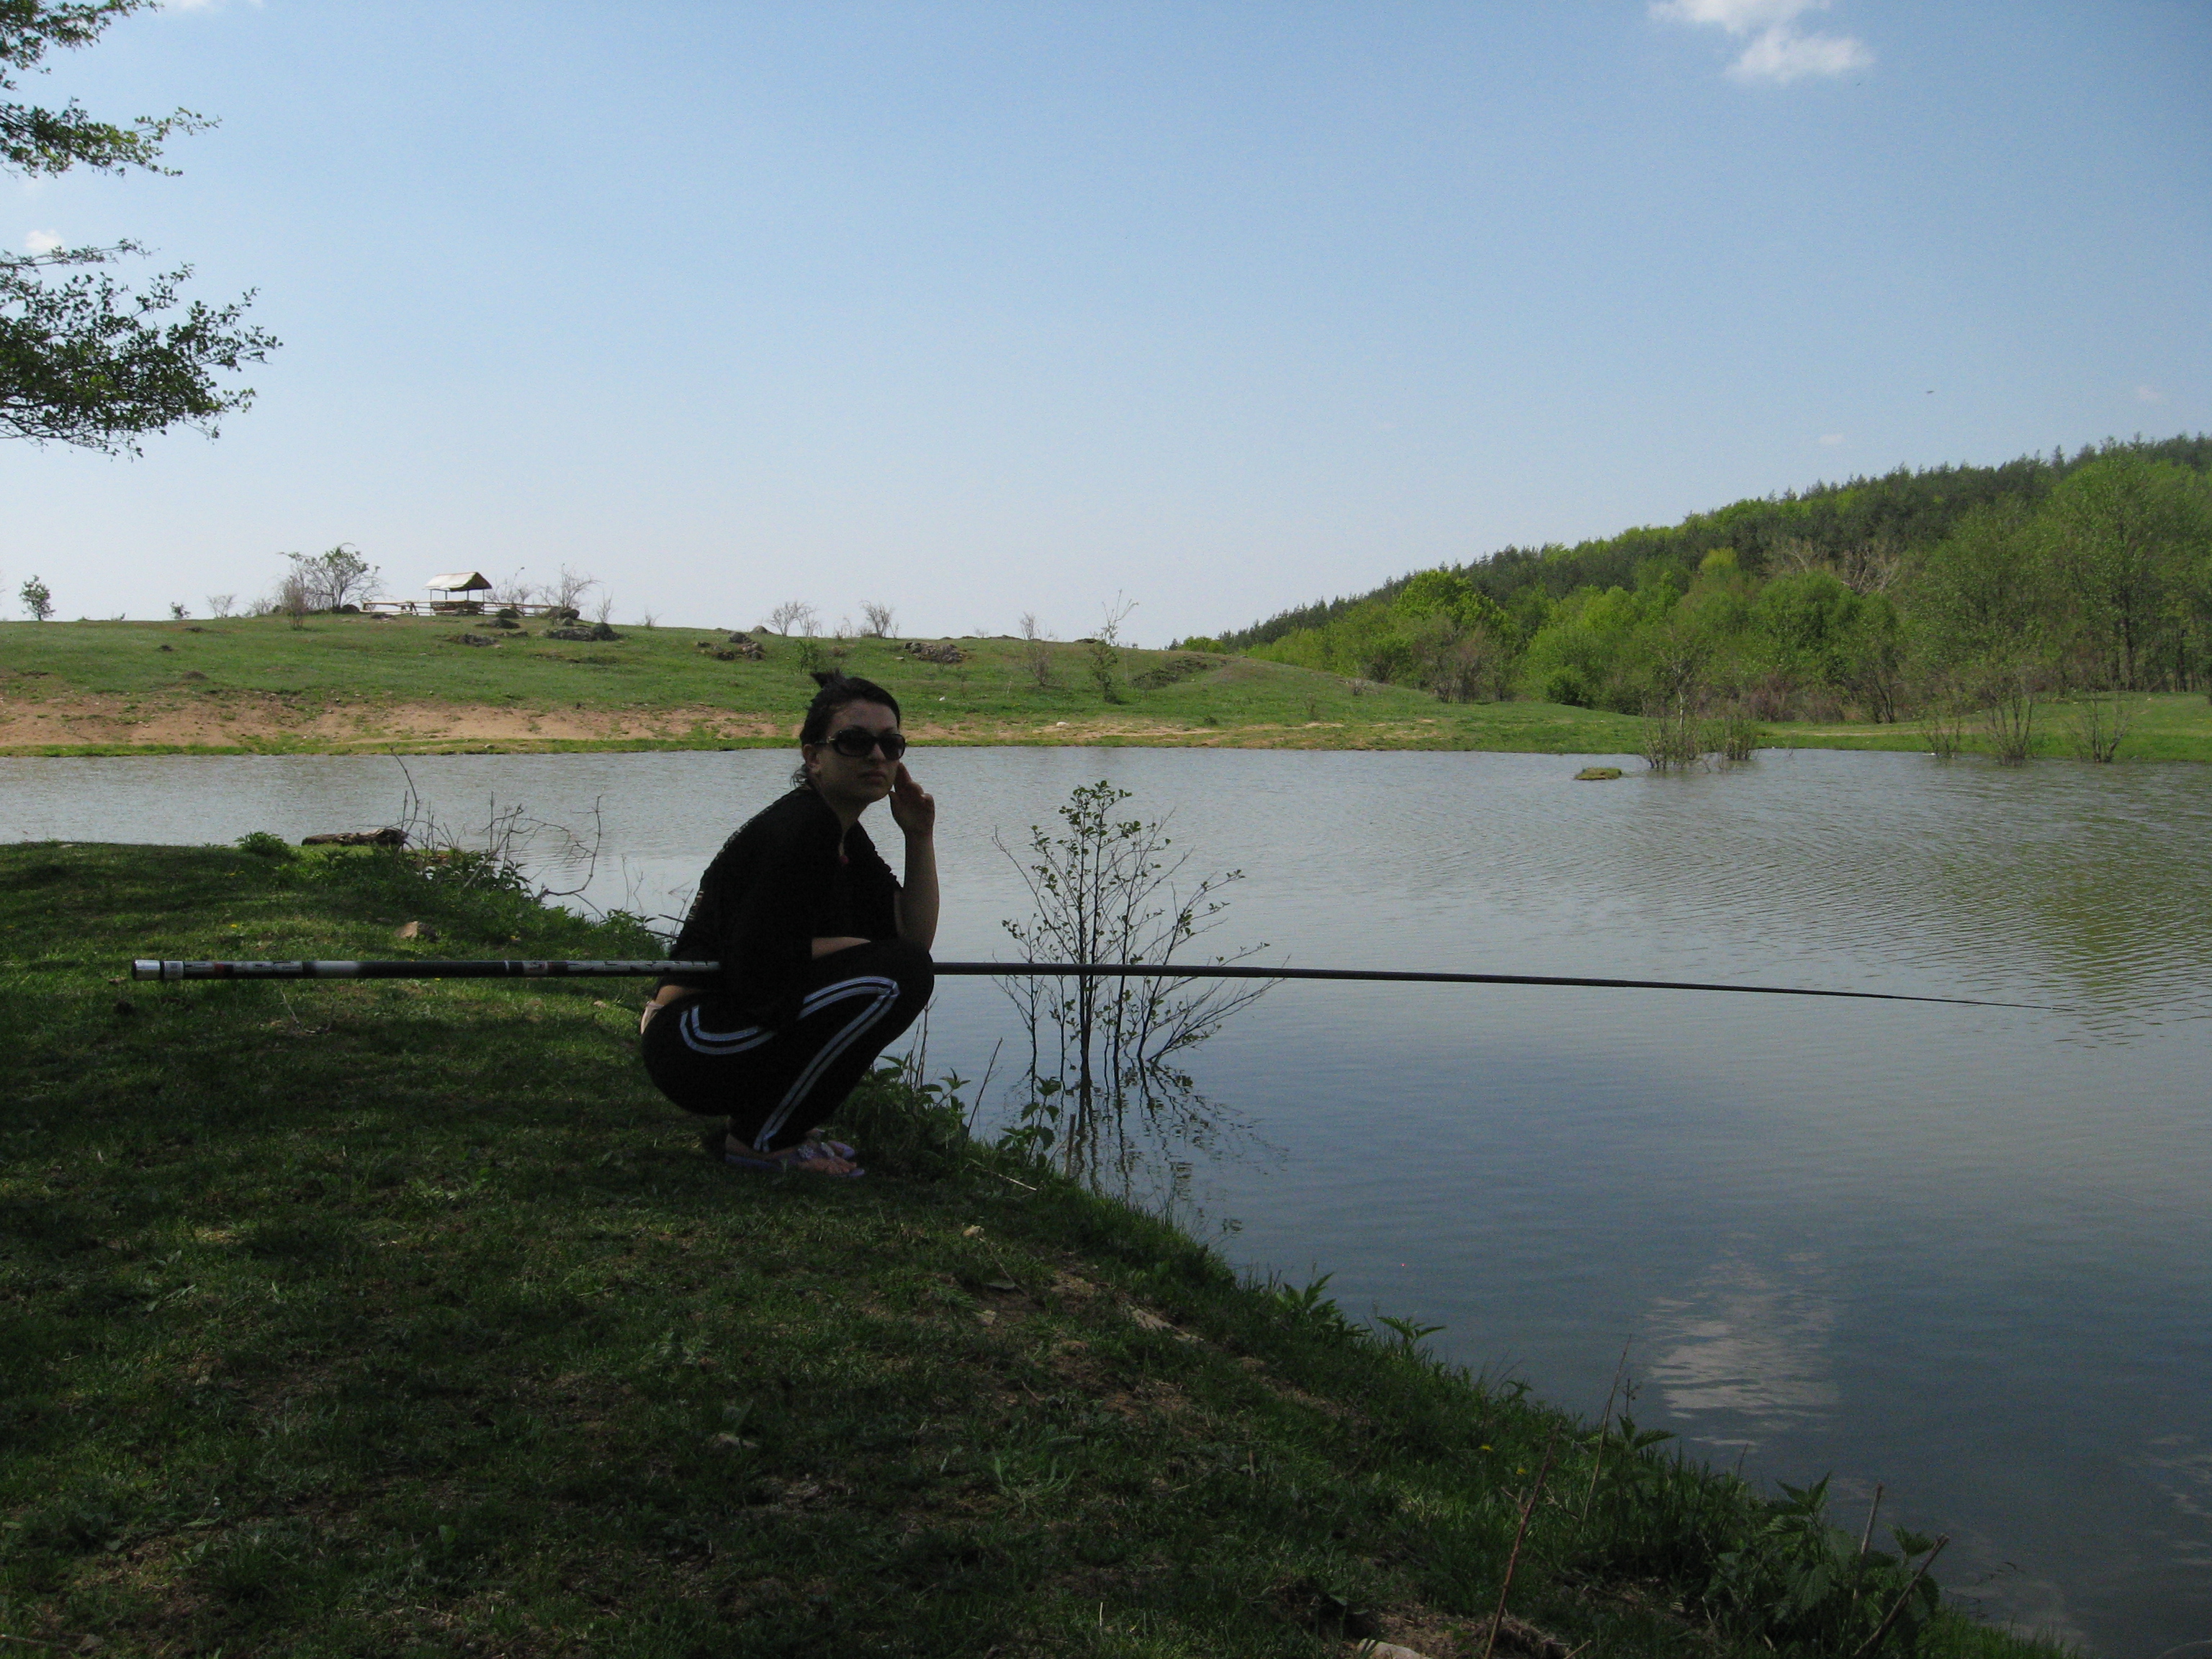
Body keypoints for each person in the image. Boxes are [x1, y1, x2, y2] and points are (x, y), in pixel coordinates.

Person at [639, 672, 938, 1177]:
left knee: (900, 969)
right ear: (813, 757)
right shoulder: (802, 827)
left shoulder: (843, 832)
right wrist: (862, 952)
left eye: (890, 744)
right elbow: (757, 957)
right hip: (694, 1039)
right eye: (855, 742)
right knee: (894, 977)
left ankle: (779, 1125)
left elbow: (914, 938)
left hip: (723, 1028)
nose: (877, 756)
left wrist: (919, 836)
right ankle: (762, 1142)